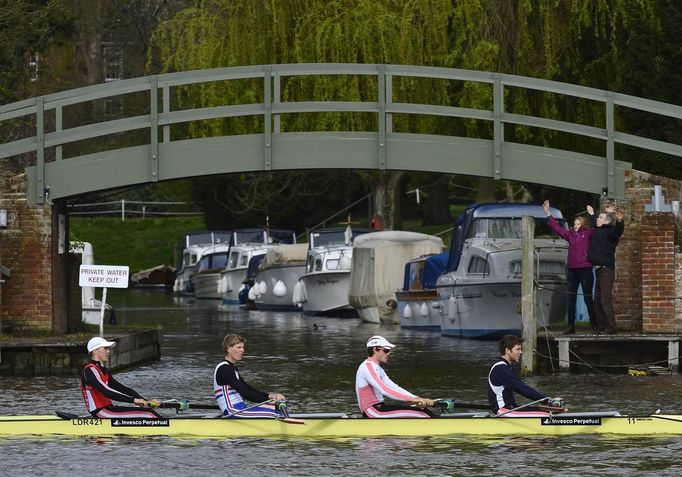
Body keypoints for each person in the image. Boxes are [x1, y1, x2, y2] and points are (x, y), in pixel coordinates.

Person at [543, 200, 597, 334]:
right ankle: (571, 326)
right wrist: (549, 214)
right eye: (575, 224)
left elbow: (597, 228)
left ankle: (595, 325)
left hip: (585, 269)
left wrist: (592, 214)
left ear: (583, 225)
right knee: (571, 299)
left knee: (587, 298)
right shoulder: (570, 235)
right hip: (572, 270)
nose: (576, 226)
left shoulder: (588, 234)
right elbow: (557, 228)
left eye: (578, 224)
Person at [355, 335, 436, 418]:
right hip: (372, 411)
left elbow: (393, 387)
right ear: (375, 350)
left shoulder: (378, 368)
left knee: (422, 410)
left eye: (389, 350)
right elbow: (384, 390)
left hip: (379, 408)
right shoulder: (367, 367)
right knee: (423, 413)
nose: (389, 353)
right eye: (386, 350)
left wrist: (417, 398)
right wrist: (412, 400)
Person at [81, 336, 162, 419]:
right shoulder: (90, 370)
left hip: (108, 409)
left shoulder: (102, 370)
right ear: (95, 351)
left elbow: (122, 389)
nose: (108, 351)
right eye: (105, 348)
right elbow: (107, 391)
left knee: (148, 411)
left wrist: (145, 401)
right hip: (101, 411)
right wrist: (133, 400)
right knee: (148, 414)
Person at [214, 334, 287, 418]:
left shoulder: (233, 368)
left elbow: (248, 388)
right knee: (275, 413)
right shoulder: (224, 368)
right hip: (232, 411)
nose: (242, 350)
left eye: (243, 347)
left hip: (240, 408)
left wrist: (270, 396)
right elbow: (245, 393)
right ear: (228, 348)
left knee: (278, 407)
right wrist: (268, 400)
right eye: (239, 347)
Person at [488, 335, 560, 417]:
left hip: (510, 408)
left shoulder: (506, 367)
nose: (521, 352)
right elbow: (521, 388)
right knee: (548, 414)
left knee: (549, 410)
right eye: (518, 349)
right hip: (504, 411)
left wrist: (545, 400)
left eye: (521, 349)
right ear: (507, 350)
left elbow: (521, 387)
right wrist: (545, 400)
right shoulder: (500, 368)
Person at [587, 203, 625, 334]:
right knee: (596, 301)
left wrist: (619, 220)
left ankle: (611, 327)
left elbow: (618, 231)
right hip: (598, 270)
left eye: (600, 217)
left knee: (605, 300)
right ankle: (601, 327)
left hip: (606, 270)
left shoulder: (610, 233)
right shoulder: (598, 230)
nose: (597, 218)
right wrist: (595, 213)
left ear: (606, 221)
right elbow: (595, 220)